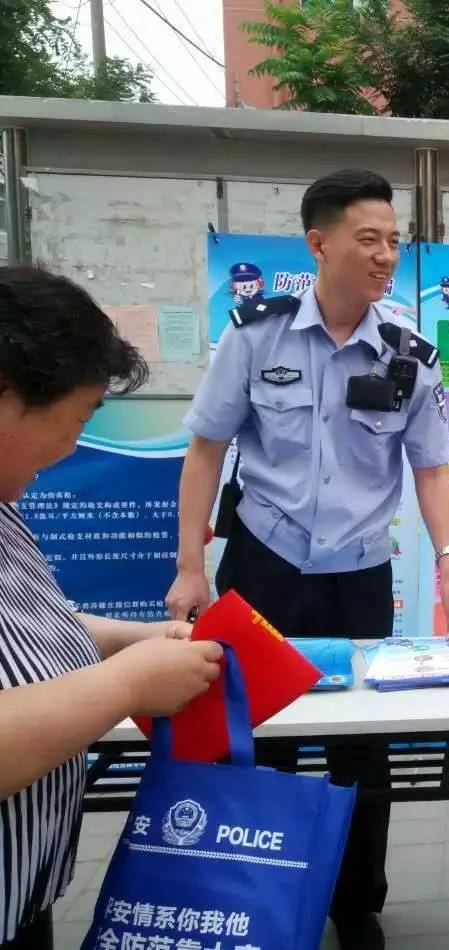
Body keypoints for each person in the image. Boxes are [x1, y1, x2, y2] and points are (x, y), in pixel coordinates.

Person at [165, 168, 449, 950]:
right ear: (319, 244)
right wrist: (189, 564)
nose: (385, 256)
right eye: (368, 239)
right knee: (258, 735)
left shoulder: (409, 352)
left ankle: (356, 904)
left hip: (357, 576)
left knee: (361, 747)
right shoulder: (254, 333)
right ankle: (258, 891)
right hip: (263, 563)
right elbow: (207, 449)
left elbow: (431, 466)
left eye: (394, 241)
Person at [0, 266, 225, 950]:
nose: (71, 447)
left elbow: (37, 629)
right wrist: (128, 683)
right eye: (74, 419)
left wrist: (141, 638)